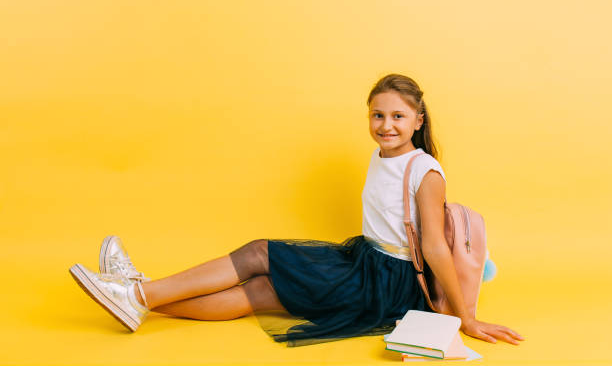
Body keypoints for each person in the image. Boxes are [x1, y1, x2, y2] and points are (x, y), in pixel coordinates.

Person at [69, 73, 525, 347]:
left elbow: (434, 250)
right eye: (377, 115)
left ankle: (138, 294)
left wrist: (465, 316)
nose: (386, 126)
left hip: (388, 281)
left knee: (262, 259)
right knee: (265, 287)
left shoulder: (425, 172)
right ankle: (137, 297)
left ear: (418, 121)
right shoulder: (383, 154)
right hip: (365, 259)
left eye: (398, 117)